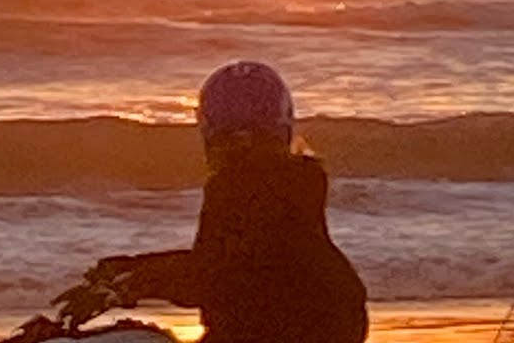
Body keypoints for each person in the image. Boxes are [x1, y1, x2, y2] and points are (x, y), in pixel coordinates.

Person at [51, 61, 368, 343]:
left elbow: (214, 276)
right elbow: (229, 263)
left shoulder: (238, 186)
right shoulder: (297, 184)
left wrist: (124, 285)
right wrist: (128, 271)